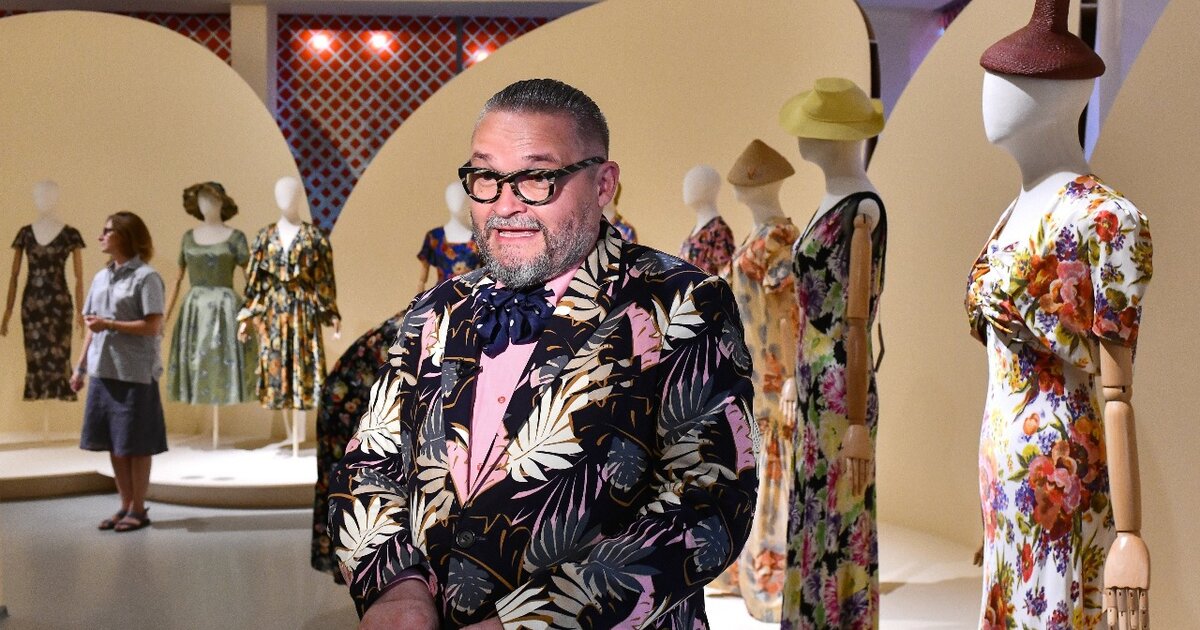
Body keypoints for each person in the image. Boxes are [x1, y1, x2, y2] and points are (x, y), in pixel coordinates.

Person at [329, 78, 758, 629]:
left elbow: (709, 506)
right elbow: (370, 462)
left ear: (603, 184)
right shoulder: (434, 310)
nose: (505, 205)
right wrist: (396, 590)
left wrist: (526, 623)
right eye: (486, 177)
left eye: (537, 177)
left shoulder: (683, 303)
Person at [70, 211, 167, 533]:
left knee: (136, 445)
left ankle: (139, 509)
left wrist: (110, 324)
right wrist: (80, 367)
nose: (101, 236)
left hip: (135, 373)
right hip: (103, 370)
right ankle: (125, 505)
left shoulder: (146, 277)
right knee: (114, 443)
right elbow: (91, 327)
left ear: (125, 236)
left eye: (108, 231)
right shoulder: (101, 277)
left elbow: (153, 326)